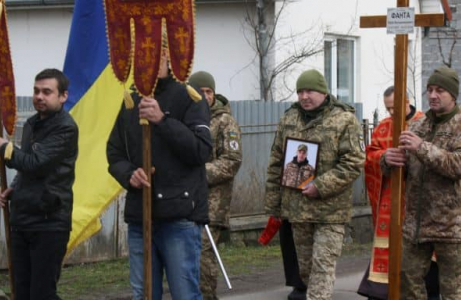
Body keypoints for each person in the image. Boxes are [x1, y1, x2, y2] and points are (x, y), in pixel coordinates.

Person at [107, 47, 212, 300]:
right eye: (140, 55)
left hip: (179, 216)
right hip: (140, 215)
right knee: (143, 295)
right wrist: (129, 174)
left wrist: (162, 121)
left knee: (184, 294)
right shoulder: (131, 99)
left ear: (167, 55)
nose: (146, 61)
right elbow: (114, 152)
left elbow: (201, 150)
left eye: (154, 53)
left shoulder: (190, 96)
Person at [382, 67, 461, 300]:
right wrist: (387, 160)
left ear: (453, 94)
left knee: (451, 290)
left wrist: (421, 147)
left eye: (440, 90)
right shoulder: (419, 126)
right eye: (430, 90)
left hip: (451, 226)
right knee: (407, 281)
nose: (434, 95)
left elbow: (460, 165)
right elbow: (403, 168)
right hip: (417, 224)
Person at [264, 69, 364, 300]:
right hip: (297, 210)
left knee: (322, 266)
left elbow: (354, 162)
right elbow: (277, 162)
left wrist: (321, 185)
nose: (304, 96)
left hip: (330, 211)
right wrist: (274, 205)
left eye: (309, 91)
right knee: (307, 271)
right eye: (300, 92)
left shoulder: (344, 119)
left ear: (323, 92)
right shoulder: (289, 118)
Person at [0, 68, 78, 299]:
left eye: (47, 92)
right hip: (23, 219)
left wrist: (6, 150)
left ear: (63, 96)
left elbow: (37, 163)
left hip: (49, 223)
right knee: (22, 291)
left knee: (42, 293)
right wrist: (15, 187)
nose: (39, 96)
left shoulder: (65, 128)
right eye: (36, 91)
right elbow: (27, 170)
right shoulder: (32, 123)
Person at [358, 86, 440, 300]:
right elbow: (369, 156)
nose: (392, 114)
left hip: (418, 202)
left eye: (395, 108)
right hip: (390, 202)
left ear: (407, 101)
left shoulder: (426, 123)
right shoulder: (383, 128)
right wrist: (384, 157)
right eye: (388, 109)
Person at [188, 71, 242, 300]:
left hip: (212, 202)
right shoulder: (183, 117)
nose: (204, 96)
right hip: (182, 200)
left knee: (203, 255)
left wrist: (198, 174)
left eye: (208, 91)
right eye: (199, 91)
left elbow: (231, 161)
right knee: (186, 256)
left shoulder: (224, 122)